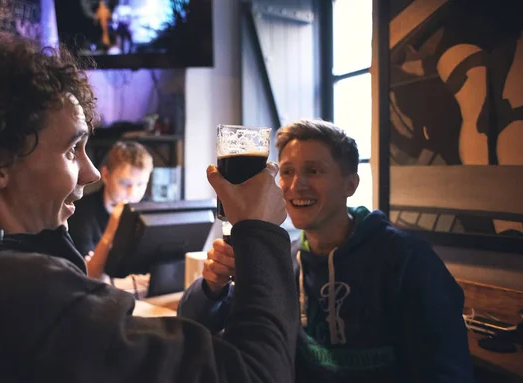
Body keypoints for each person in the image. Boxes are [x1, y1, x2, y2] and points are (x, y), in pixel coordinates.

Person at [0, 39, 298, 382]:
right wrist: (260, 231)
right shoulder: (24, 293)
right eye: (72, 150)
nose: (89, 173)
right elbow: (257, 375)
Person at [178, 119, 474, 382]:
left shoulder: (408, 260)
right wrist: (212, 286)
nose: (296, 185)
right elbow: (193, 325)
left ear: (351, 184)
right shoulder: (282, 261)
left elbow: (446, 370)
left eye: (314, 171)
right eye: (288, 172)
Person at [67, 140, 153, 281]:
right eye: (125, 183)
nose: (132, 192)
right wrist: (113, 226)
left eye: (141, 184)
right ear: (106, 175)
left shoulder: (151, 211)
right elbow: (88, 275)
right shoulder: (80, 212)